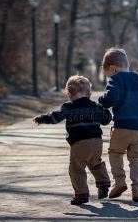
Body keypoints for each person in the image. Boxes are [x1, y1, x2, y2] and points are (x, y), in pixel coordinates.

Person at [33, 75, 112, 205]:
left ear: (69, 94)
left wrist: (41, 118)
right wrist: (106, 110)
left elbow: (55, 117)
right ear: (89, 94)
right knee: (96, 163)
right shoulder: (95, 106)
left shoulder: (68, 107)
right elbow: (106, 120)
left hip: (79, 143)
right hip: (97, 142)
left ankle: (81, 194)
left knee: (76, 169)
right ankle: (103, 184)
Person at [98, 47, 138, 202]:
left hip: (122, 126)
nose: (108, 77)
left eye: (107, 74)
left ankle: (119, 181)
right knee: (137, 158)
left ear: (112, 68)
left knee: (115, 152)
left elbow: (111, 98)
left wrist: (101, 101)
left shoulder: (116, 79)